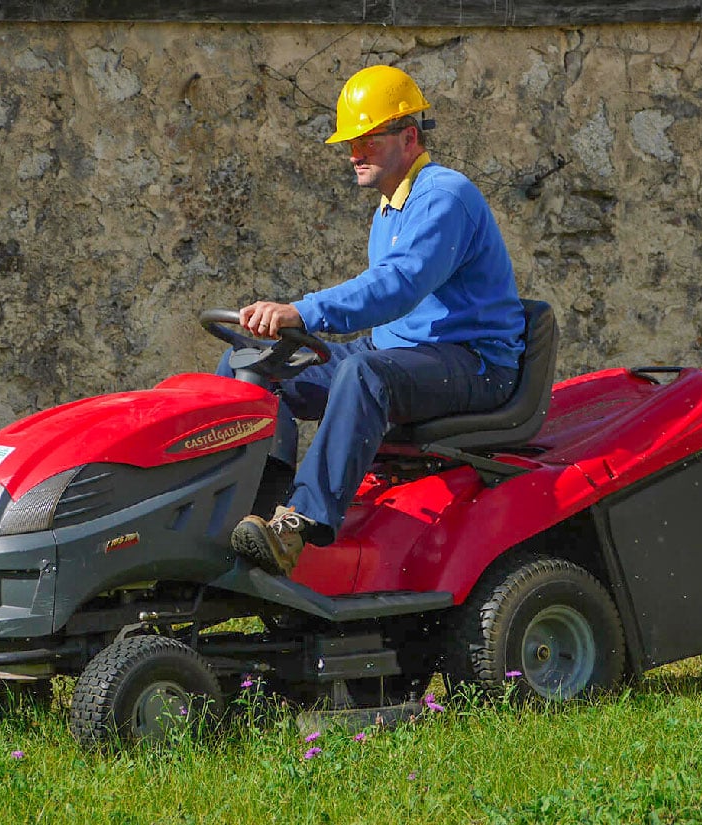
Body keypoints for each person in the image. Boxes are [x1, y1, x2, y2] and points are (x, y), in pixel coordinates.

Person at [221, 64, 527, 576]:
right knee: (249, 364)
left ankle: (300, 524)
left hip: (475, 365)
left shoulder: (444, 197)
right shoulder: (391, 205)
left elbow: (397, 287)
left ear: (409, 137)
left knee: (362, 374)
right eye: (351, 141)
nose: (353, 153)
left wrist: (301, 310)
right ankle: (251, 510)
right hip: (404, 354)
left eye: (368, 139)